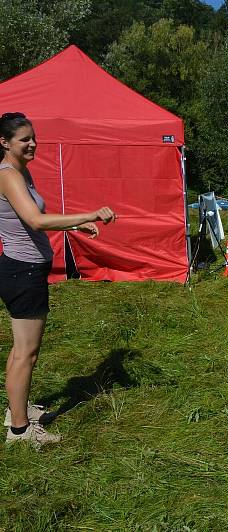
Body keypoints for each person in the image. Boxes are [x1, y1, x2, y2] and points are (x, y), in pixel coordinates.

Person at [0, 112, 116, 448]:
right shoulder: (8, 175)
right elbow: (35, 221)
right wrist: (90, 214)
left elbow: (30, 220)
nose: (33, 143)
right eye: (25, 139)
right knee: (27, 353)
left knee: (21, 350)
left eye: (33, 137)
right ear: (5, 143)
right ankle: (20, 431)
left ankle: (15, 413)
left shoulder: (20, 171)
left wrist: (73, 227)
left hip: (22, 269)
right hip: (22, 272)